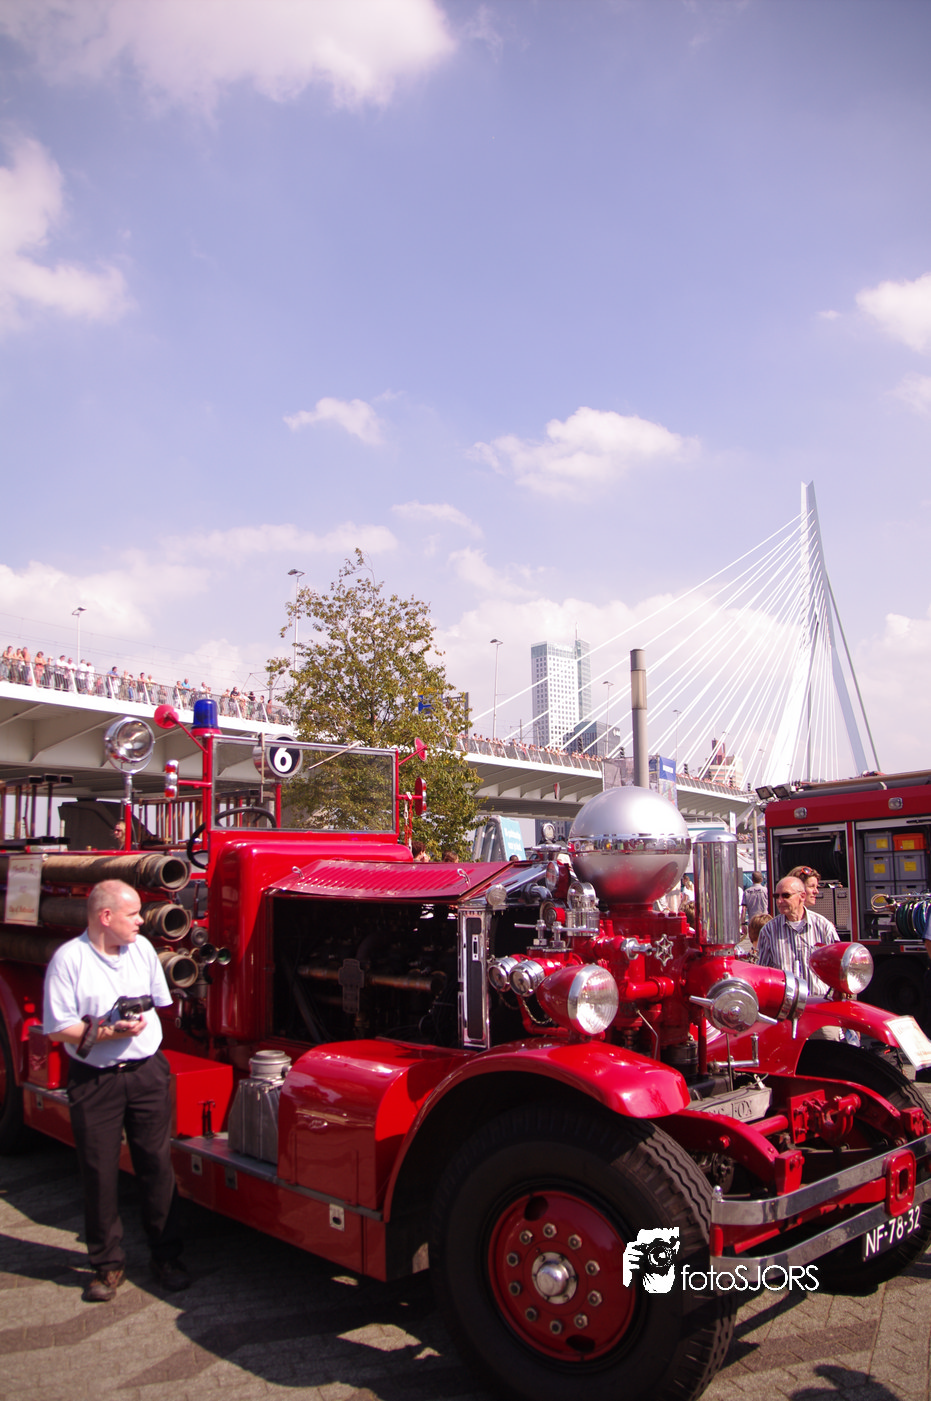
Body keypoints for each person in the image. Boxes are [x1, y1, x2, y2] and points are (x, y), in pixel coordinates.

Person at [42, 880, 189, 1302]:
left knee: (156, 1165)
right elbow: (58, 1028)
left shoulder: (142, 951)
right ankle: (107, 1265)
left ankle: (167, 1258)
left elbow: (158, 1005)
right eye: (133, 914)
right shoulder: (69, 960)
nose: (141, 921)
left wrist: (134, 1030)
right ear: (106, 917)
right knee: (99, 1171)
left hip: (147, 1074)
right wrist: (108, 1033)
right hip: (95, 1080)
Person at [756, 875, 838, 998]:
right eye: (776, 896)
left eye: (786, 895)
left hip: (818, 1001)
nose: (779, 901)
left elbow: (838, 969)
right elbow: (763, 973)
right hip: (785, 1003)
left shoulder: (823, 927)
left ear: (802, 896)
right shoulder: (769, 931)